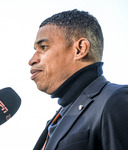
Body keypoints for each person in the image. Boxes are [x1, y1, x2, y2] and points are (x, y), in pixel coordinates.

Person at [29, 9, 128, 150]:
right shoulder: (57, 118)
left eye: (43, 47)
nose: (32, 60)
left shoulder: (115, 100)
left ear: (80, 49)